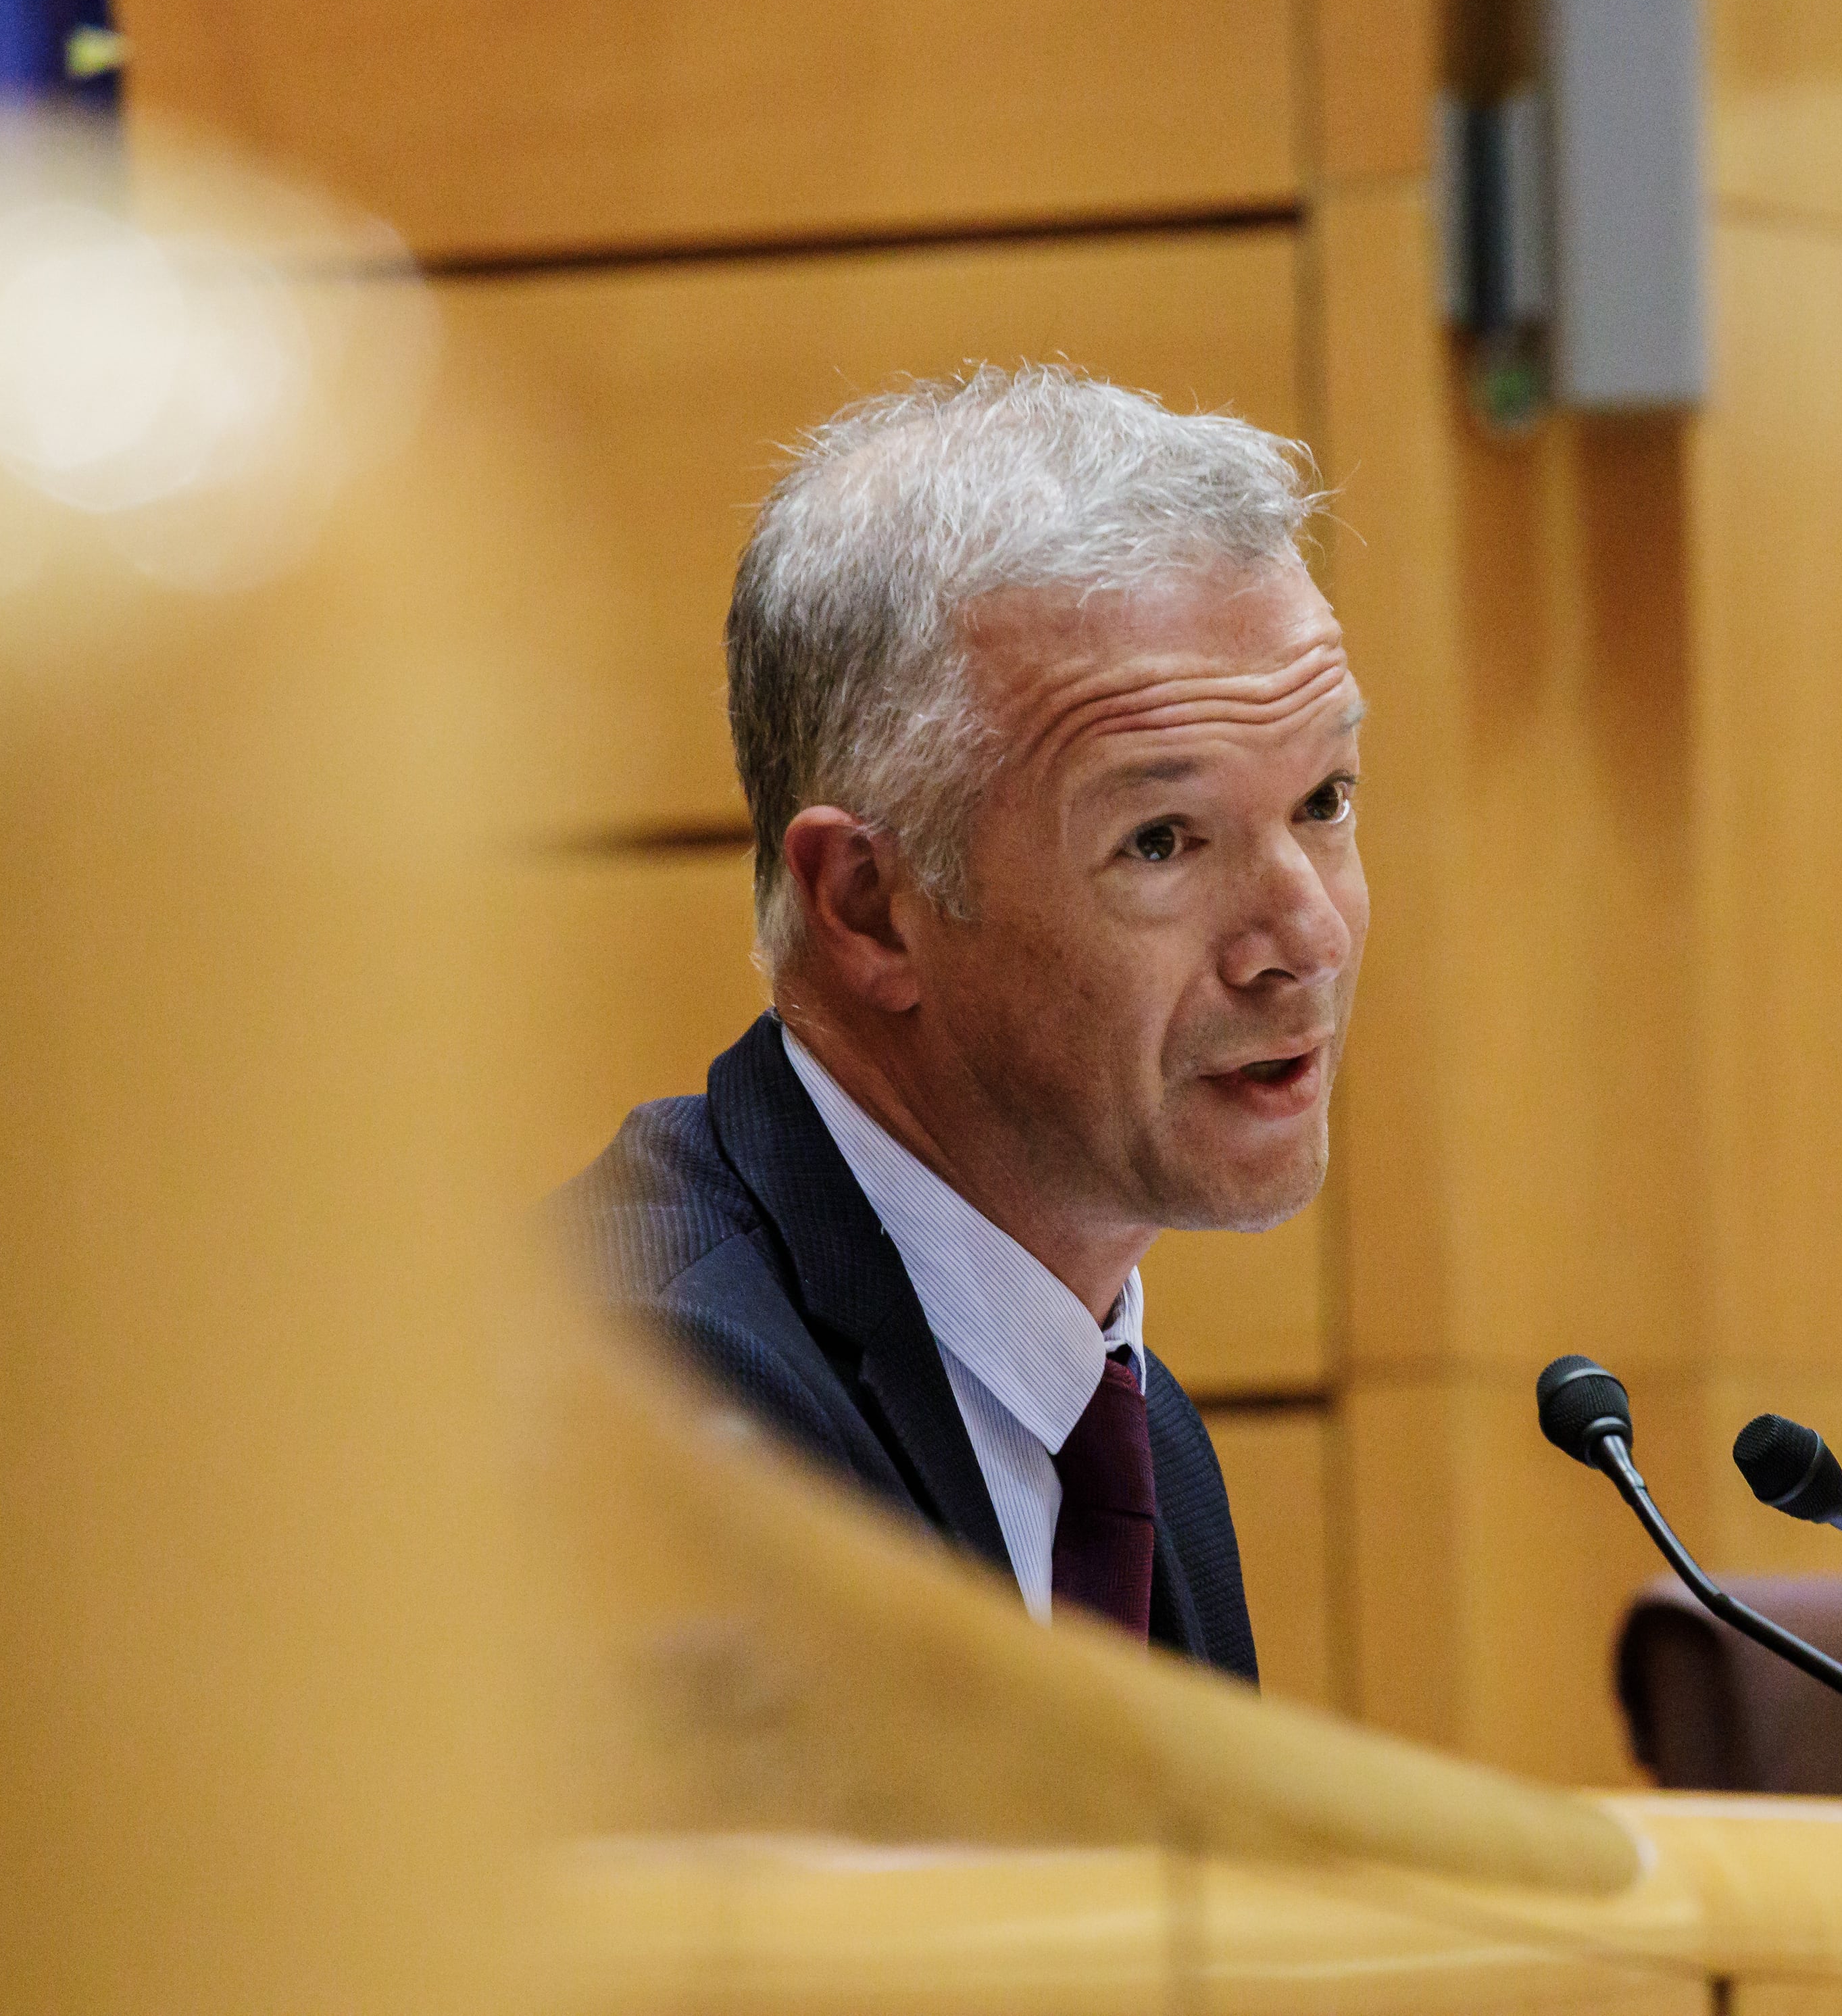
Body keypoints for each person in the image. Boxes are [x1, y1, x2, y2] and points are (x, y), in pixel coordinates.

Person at [557, 366, 1368, 1682]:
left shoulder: (1132, 1428)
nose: (1306, 935)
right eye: (1161, 839)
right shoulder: (657, 1408)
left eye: (1324, 799)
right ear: (871, 906)